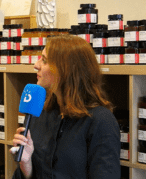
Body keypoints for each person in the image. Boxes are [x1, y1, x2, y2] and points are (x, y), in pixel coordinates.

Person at [11, 35, 120, 179]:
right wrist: (27, 166)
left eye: (44, 60)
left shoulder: (101, 121)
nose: (36, 65)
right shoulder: (39, 112)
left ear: (65, 70)